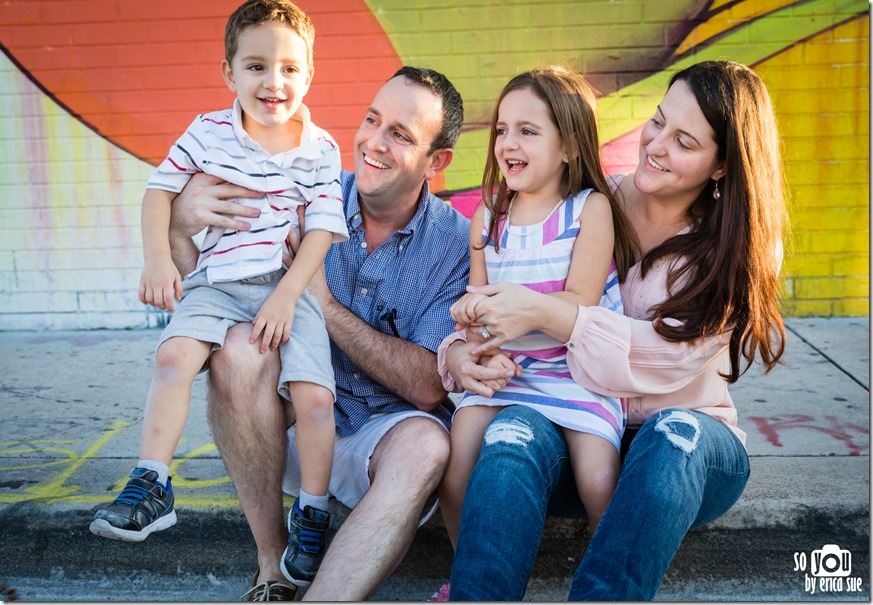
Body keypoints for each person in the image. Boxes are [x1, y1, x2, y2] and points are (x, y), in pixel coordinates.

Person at [439, 60, 788, 600]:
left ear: (722, 165)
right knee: (510, 436)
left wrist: (547, 314)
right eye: (657, 120)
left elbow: (664, 360)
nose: (655, 144)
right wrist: (459, 351)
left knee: (672, 434)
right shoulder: (596, 202)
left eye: (685, 141)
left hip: (683, 444)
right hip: (575, 421)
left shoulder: (740, 249)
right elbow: (501, 291)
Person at [168, 66, 468, 600]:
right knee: (236, 348)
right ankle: (271, 572)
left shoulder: (456, 246)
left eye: (400, 135)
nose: (373, 143)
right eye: (372, 120)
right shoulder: (299, 191)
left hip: (380, 434)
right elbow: (201, 283)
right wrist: (178, 221)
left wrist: (320, 303)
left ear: (437, 161)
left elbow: (428, 385)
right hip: (284, 427)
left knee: (428, 442)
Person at [91, 0, 348, 589]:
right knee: (173, 357)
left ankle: (311, 513)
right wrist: (159, 256)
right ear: (229, 73)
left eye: (289, 68)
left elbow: (324, 230)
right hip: (216, 281)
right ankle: (151, 482)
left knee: (313, 400)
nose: (273, 82)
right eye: (255, 66)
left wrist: (286, 296)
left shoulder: (320, 147)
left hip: (288, 290)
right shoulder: (207, 131)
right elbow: (159, 191)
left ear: (309, 74)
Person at [432, 66, 636, 602]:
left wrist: (521, 311)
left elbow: (580, 303)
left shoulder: (588, 210)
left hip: (575, 373)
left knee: (598, 481)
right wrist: (472, 325)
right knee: (456, 473)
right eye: (501, 129)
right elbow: (476, 307)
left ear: (569, 144)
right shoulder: (488, 218)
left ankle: (602, 579)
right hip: (511, 376)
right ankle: (468, 574)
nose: (508, 143)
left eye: (527, 130)